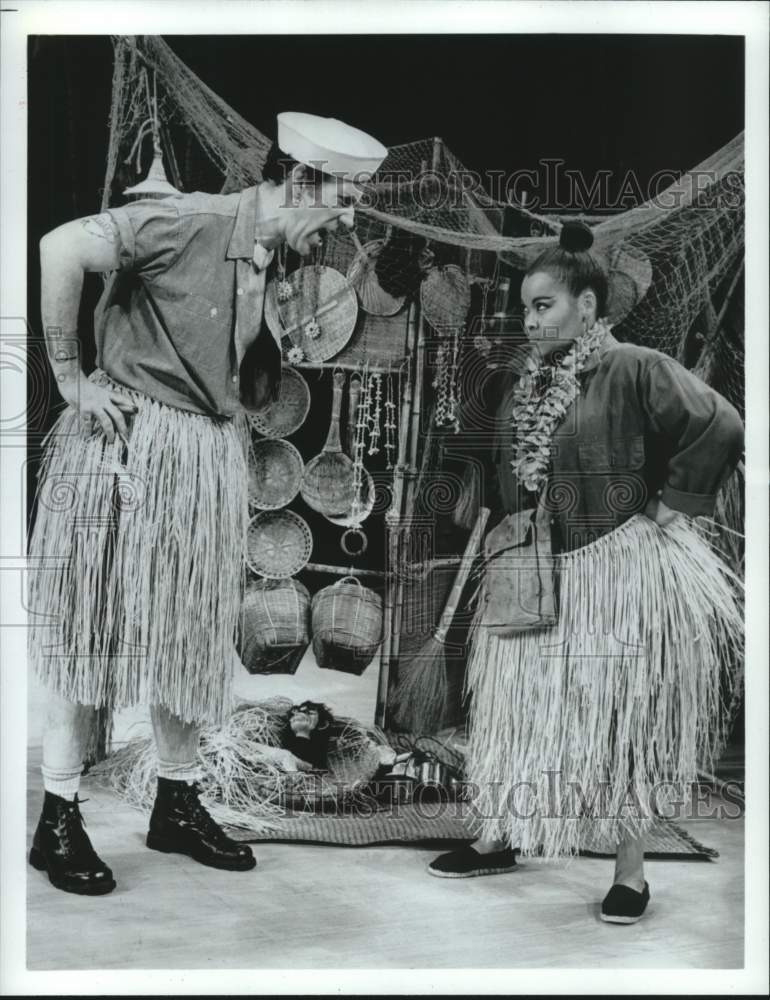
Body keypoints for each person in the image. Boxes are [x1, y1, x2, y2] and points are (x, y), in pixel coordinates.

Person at [27, 111, 387, 895]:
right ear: (301, 181)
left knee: (186, 629)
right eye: (346, 198)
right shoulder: (185, 220)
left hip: (203, 453)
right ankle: (58, 816)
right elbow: (60, 246)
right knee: (91, 624)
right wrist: (68, 379)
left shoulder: (270, 256)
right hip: (126, 442)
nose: (349, 218)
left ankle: (176, 800)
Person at [428, 221, 744, 924]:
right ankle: (500, 833)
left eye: (543, 306)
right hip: (536, 566)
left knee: (620, 715)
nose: (529, 321)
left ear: (589, 309)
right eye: (525, 309)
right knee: (513, 706)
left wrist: (669, 507)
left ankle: (630, 874)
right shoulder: (526, 380)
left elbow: (718, 423)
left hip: (614, 573)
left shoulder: (635, 366)